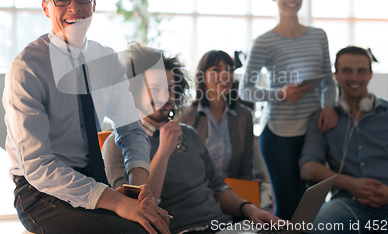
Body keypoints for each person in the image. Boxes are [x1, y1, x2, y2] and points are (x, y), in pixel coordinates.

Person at [2, 0, 170, 234]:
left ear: (93, 3)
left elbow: (131, 131)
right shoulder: (27, 68)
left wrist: (140, 187)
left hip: (94, 179)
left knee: (155, 221)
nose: (74, 7)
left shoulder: (105, 59)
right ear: (46, 7)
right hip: (39, 190)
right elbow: (39, 166)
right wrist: (116, 202)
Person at [103, 44, 281, 234]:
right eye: (155, 89)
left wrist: (250, 209)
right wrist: (164, 151)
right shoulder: (117, 144)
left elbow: (217, 187)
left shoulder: (188, 134)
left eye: (171, 89)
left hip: (225, 226)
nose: (165, 97)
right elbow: (138, 210)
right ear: (134, 92)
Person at [238, 0, 337, 219]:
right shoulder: (264, 41)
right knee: (289, 207)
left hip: (315, 133)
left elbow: (328, 80)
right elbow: (245, 90)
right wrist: (280, 94)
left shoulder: (318, 36)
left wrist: (328, 106)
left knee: (313, 206)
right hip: (279, 135)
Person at [299, 46, 388, 234]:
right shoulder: (324, 118)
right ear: (336, 75)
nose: (354, 78)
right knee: (319, 226)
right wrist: (350, 184)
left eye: (361, 71)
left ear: (370, 75)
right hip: (347, 204)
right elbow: (308, 168)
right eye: (347, 71)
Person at [177, 50, 255, 180]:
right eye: (216, 70)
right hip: (197, 194)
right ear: (202, 76)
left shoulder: (244, 116)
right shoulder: (185, 117)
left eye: (229, 70)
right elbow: (181, 168)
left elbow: (246, 168)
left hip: (234, 194)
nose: (225, 75)